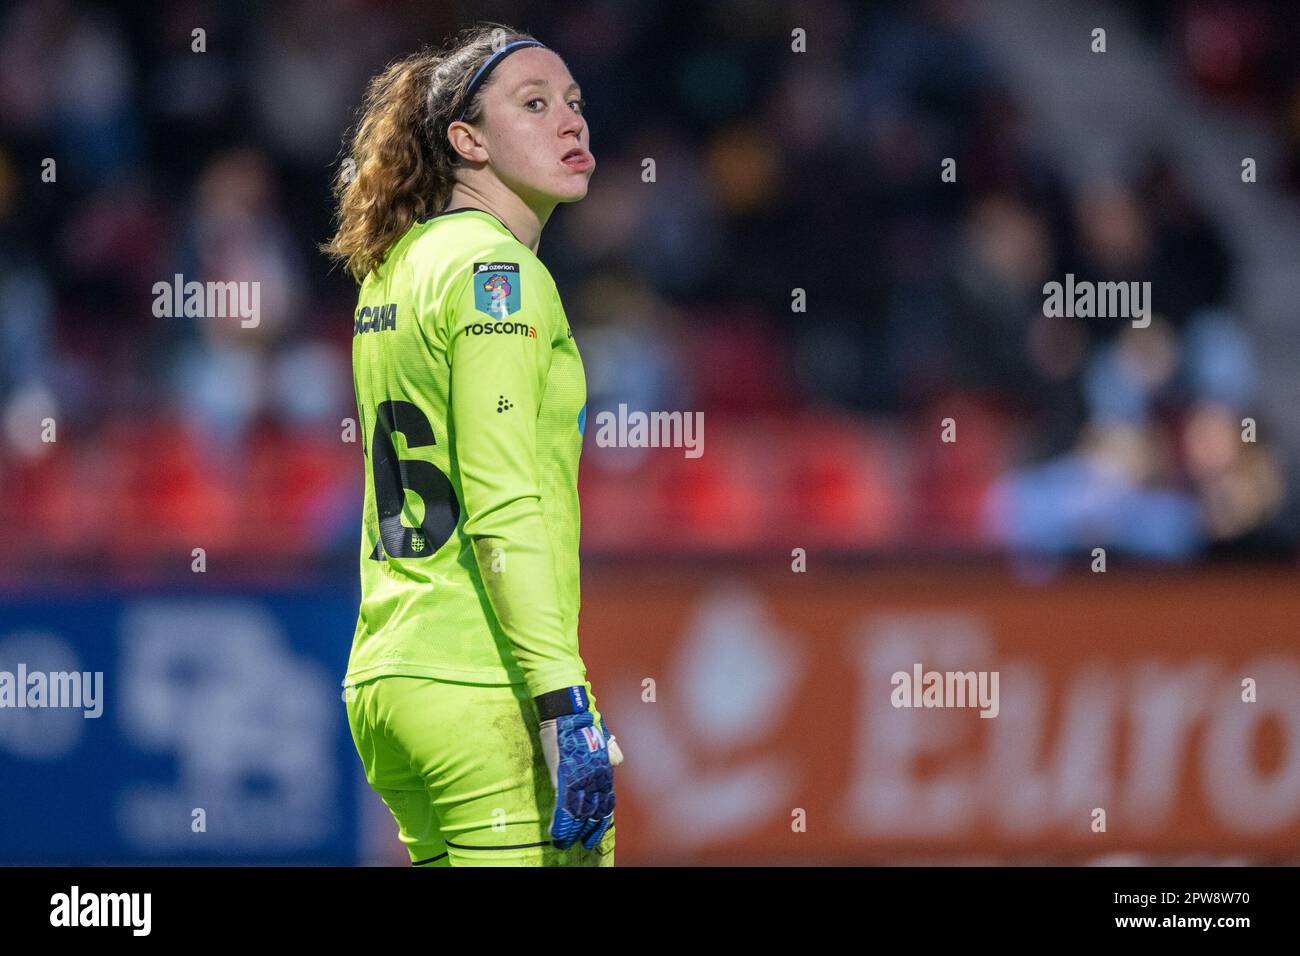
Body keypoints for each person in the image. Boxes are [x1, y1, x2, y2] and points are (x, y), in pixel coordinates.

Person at [323, 22, 621, 867]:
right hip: (480, 684)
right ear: (467, 141)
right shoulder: (501, 277)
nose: (570, 122)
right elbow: (501, 502)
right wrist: (565, 701)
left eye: (573, 102)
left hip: (390, 677)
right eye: (533, 105)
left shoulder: (395, 269)